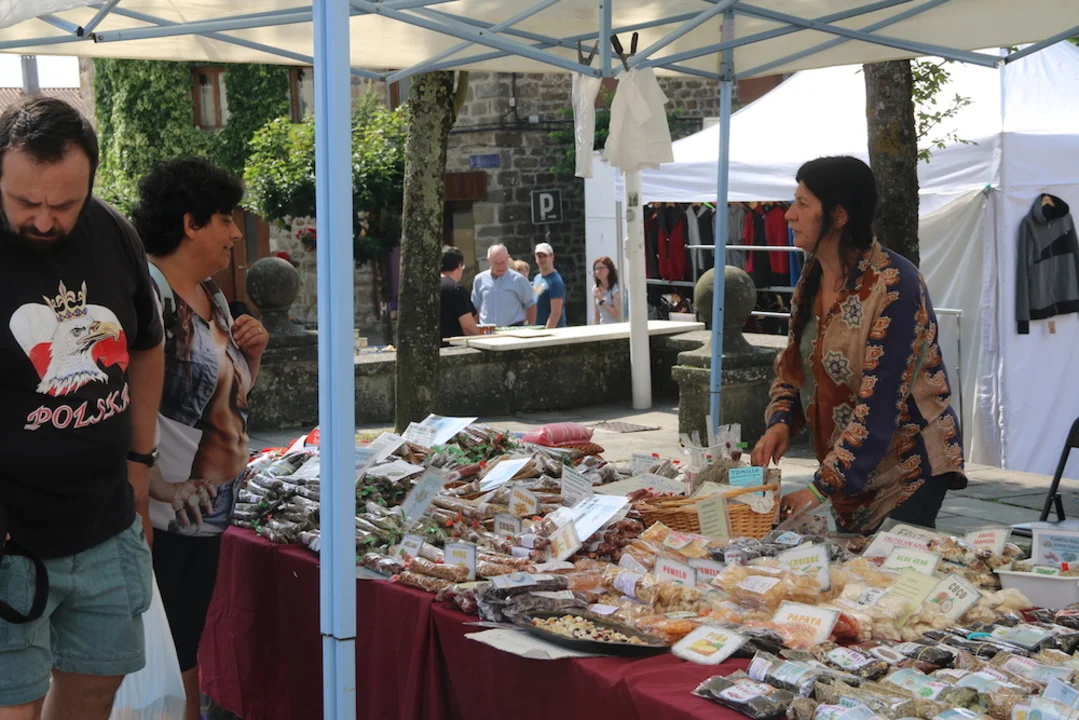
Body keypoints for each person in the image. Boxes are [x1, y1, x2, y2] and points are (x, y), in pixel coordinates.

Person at [0, 96, 163, 719]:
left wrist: (141, 460)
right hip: (12, 537)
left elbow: (147, 346)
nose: (44, 220)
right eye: (25, 202)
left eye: (65, 205)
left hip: (104, 519)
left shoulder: (114, 232)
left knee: (96, 691)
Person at [751, 156, 965, 535]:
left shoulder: (895, 285)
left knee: (889, 569)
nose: (788, 214)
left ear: (838, 216)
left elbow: (879, 405)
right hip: (849, 472)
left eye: (802, 203)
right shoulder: (812, 277)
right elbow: (795, 367)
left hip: (907, 469)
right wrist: (781, 423)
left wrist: (818, 489)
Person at [131, 158, 268, 720]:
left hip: (207, 511)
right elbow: (123, 404)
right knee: (173, 650)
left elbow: (227, 401)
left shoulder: (212, 294)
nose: (235, 233)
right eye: (225, 219)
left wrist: (253, 356)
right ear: (190, 223)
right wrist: (152, 486)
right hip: (168, 513)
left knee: (186, 642)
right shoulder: (149, 294)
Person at [471, 243, 536, 327]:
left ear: (507, 258)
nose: (500, 267)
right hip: (488, 330)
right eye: (496, 263)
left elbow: (531, 305)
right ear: (489, 261)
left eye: (502, 263)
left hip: (514, 329)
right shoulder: (479, 280)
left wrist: (530, 328)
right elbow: (475, 308)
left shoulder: (518, 280)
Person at [440, 245, 479, 341]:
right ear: (459, 265)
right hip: (453, 345)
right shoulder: (456, 289)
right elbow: (468, 327)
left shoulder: (428, 287)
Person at [533, 242, 567, 328]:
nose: (542, 259)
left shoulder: (555, 282)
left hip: (553, 332)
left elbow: (555, 313)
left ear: (552, 257)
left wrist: (547, 333)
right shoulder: (537, 278)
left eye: (545, 256)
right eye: (539, 256)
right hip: (538, 329)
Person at [592, 255, 622, 324]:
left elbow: (618, 316)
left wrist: (602, 301)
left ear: (609, 270)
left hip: (617, 327)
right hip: (603, 326)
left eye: (601, 268)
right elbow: (596, 315)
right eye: (596, 269)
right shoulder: (595, 288)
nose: (598, 271)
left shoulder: (616, 289)